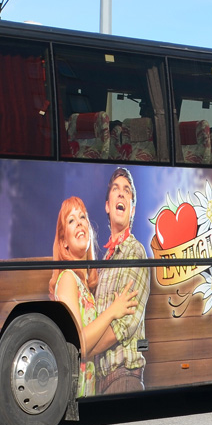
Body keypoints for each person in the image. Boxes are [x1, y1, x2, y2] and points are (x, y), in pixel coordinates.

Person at [49, 197, 138, 398]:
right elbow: (77, 343)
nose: (80, 222)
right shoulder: (68, 279)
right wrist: (112, 312)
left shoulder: (85, 286)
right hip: (78, 389)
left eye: (82, 217)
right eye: (71, 220)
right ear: (64, 242)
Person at [92, 168, 151, 394]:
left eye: (127, 191)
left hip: (124, 377)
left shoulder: (134, 252)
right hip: (101, 381)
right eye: (116, 190)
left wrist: (85, 349)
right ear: (107, 205)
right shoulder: (105, 261)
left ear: (132, 209)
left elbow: (124, 325)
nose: (121, 194)